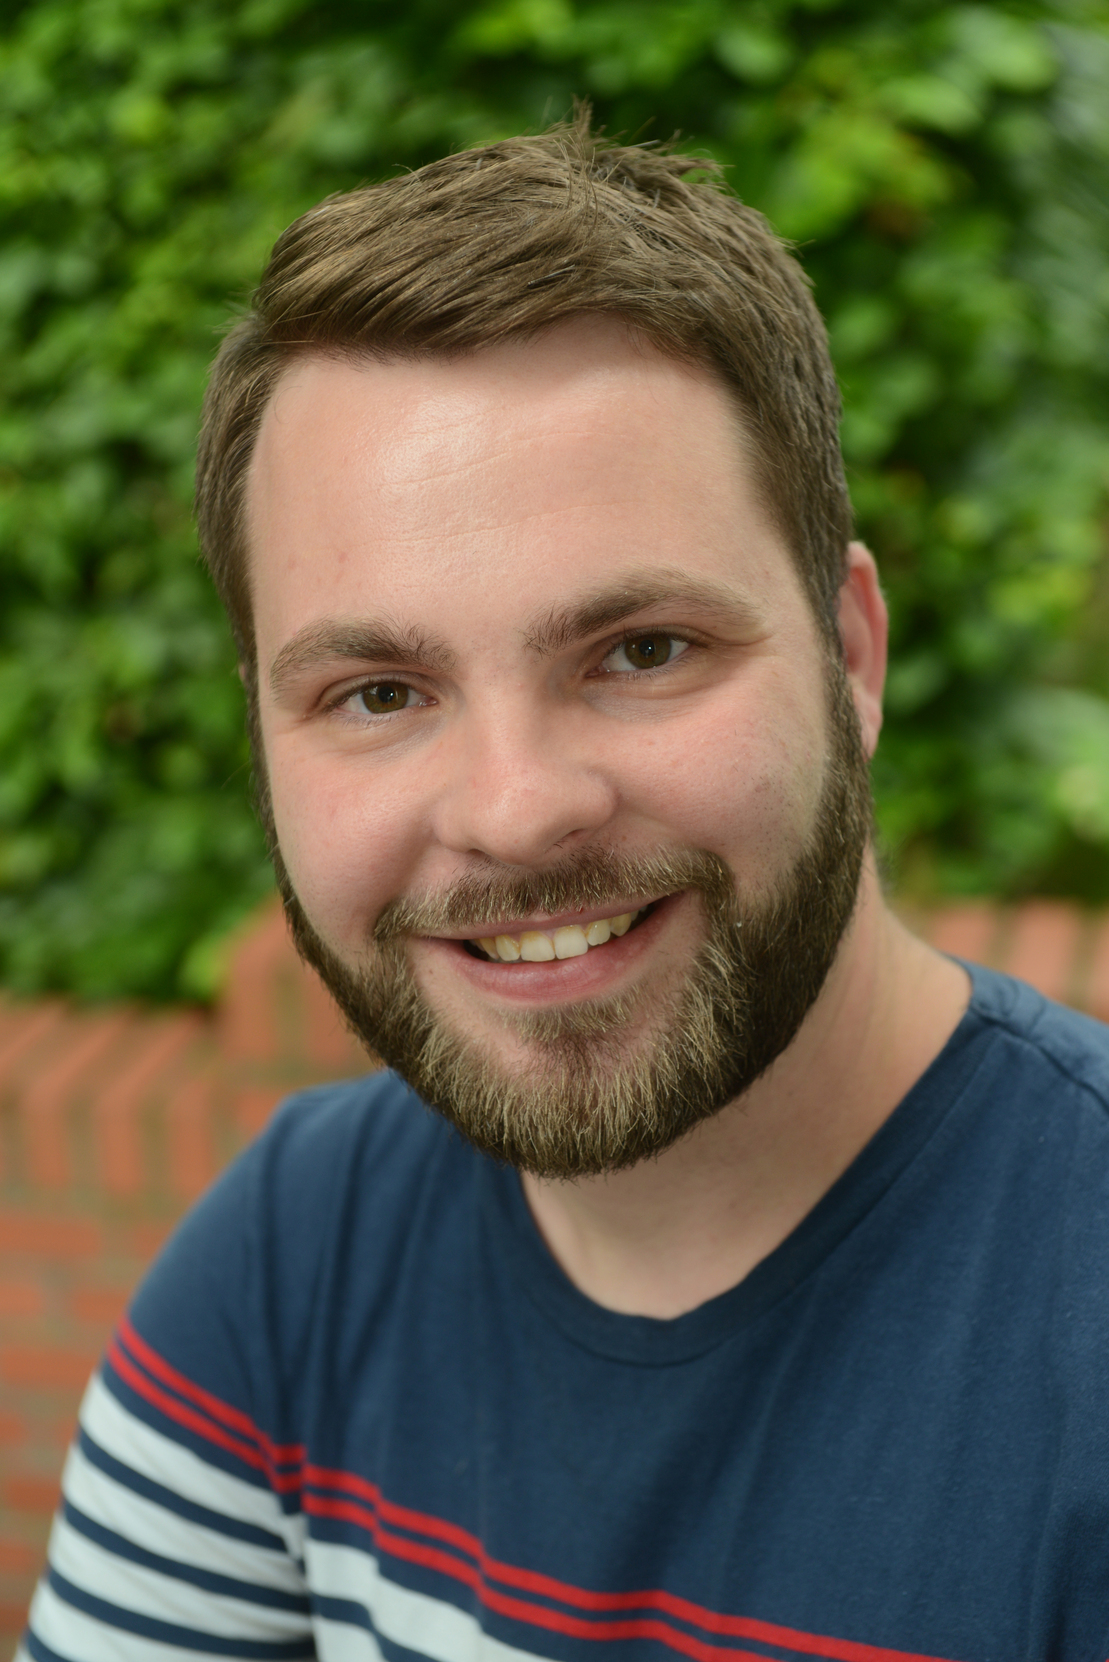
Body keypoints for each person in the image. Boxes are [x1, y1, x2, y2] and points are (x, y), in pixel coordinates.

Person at [21, 113, 1109, 1662]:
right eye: (380, 691)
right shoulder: (293, 1252)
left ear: (849, 656)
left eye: (643, 651)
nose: (517, 810)